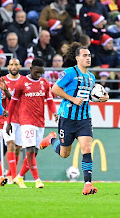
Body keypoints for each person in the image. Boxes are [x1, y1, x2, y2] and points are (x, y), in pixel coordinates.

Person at [39, 42, 109, 195]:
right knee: (65, 154)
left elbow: (94, 94)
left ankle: (88, 184)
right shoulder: (70, 73)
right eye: (85, 55)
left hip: (84, 118)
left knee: (86, 148)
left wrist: (103, 97)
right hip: (68, 118)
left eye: (89, 55)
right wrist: (72, 98)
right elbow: (55, 89)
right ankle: (51, 139)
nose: (88, 58)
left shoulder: (91, 77)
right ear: (77, 58)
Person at [6, 58, 56, 189]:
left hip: (40, 122)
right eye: (37, 72)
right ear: (31, 69)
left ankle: (19, 177)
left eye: (41, 72)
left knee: (35, 152)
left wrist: (54, 112)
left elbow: (50, 100)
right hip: (26, 121)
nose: (39, 75)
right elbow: (13, 103)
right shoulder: (21, 82)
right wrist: (9, 121)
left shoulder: (45, 83)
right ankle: (37, 180)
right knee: (29, 150)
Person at [2, 59, 23, 184]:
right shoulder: (2, 80)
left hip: (21, 119)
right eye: (11, 64)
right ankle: (15, 176)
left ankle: (10, 174)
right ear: (8, 66)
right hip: (8, 119)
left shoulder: (24, 81)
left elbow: (20, 100)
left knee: (18, 148)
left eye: (16, 64)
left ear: (20, 66)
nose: (14, 67)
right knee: (10, 144)